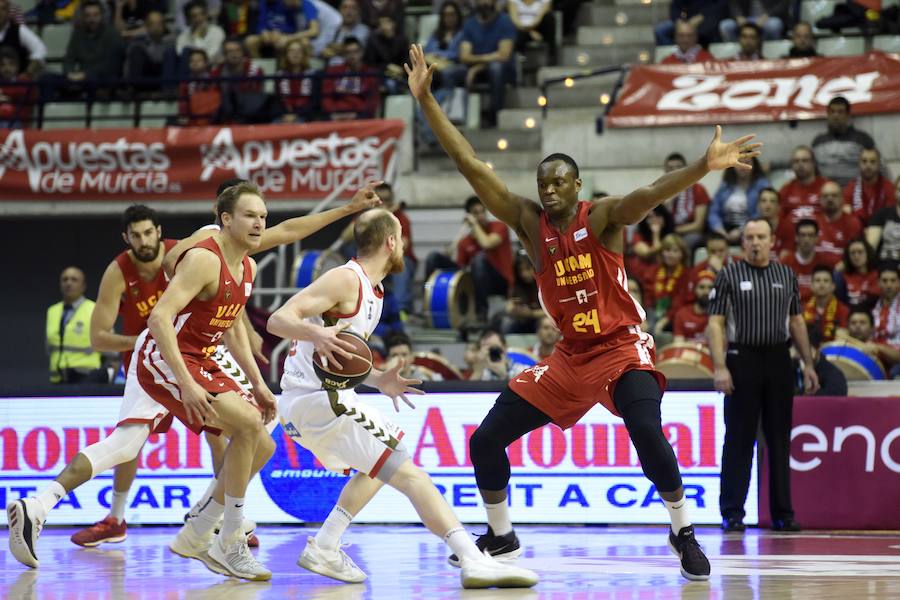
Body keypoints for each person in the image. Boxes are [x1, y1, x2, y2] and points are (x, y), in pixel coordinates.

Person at [408, 43, 761, 581]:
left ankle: (682, 530)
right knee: (484, 441)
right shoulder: (530, 224)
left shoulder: (603, 219)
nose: (547, 190)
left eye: (557, 182)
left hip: (621, 349)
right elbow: (469, 164)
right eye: (541, 184)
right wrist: (427, 101)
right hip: (570, 357)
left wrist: (702, 167)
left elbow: (650, 194)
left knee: (645, 429)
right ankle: (502, 538)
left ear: (576, 185)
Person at [9, 184, 277, 580]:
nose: (260, 223)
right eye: (251, 215)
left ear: (158, 232)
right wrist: (186, 383)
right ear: (224, 220)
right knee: (243, 428)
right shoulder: (182, 260)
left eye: (263, 217)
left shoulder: (238, 265)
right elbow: (136, 327)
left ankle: (39, 506)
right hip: (162, 356)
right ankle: (222, 533)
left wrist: (257, 382)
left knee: (133, 444)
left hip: (187, 355)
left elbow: (234, 326)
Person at [267, 206, 538, 588]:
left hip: (320, 401)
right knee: (411, 474)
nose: (404, 245)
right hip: (318, 399)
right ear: (391, 242)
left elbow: (344, 359)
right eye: (401, 238)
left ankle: (326, 545)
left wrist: (378, 380)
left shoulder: (372, 292)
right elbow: (278, 319)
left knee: (377, 469)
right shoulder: (347, 279)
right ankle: (472, 559)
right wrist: (317, 335)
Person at [706, 218, 820, 533]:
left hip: (778, 359)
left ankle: (783, 513)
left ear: (772, 241)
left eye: (761, 237)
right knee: (738, 439)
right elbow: (715, 323)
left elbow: (796, 321)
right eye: (750, 237)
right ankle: (732, 512)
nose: (756, 242)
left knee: (780, 439)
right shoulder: (728, 274)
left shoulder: (786, 275)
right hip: (742, 358)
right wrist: (719, 366)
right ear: (742, 243)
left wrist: (808, 364)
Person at [425, 196, 514, 321]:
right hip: (476, 283)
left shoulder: (499, 227)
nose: (480, 216)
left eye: (482, 211)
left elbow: (487, 243)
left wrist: (474, 224)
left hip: (500, 281)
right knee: (433, 257)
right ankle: (428, 305)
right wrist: (448, 256)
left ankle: (481, 312)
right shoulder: (465, 241)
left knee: (479, 259)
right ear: (469, 215)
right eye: (475, 213)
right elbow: (461, 270)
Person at [459, 0, 516, 127]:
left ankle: (495, 118)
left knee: (496, 68)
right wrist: (485, 60)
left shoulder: (505, 21)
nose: (484, 2)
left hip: (503, 70)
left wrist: (477, 67)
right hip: (476, 68)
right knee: (450, 72)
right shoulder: (470, 23)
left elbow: (503, 55)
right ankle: (454, 118)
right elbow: (464, 56)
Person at [46, 266, 103, 384]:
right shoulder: (52, 311)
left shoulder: (94, 310)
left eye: (74, 279)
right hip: (57, 380)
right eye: (65, 279)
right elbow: (49, 347)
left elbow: (110, 350)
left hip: (87, 379)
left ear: (83, 286)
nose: (68, 283)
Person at [812, 96, 876, 187]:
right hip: (826, 194)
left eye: (840, 112)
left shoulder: (863, 139)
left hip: (856, 194)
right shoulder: (818, 142)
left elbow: (879, 167)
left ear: (848, 115)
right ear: (828, 115)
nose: (835, 116)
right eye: (832, 112)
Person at [708, 157, 770, 244]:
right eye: (739, 162)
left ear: (754, 165)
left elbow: (760, 213)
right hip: (725, 228)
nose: (743, 166)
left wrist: (741, 230)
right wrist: (719, 229)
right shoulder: (726, 184)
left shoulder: (762, 185)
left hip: (751, 227)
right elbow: (714, 211)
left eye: (747, 162)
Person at [781, 218, 841, 301]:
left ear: (817, 238)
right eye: (803, 235)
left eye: (810, 235)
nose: (806, 239)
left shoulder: (825, 262)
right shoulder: (785, 262)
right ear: (796, 238)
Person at [321, 36, 381, 119]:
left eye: (355, 52)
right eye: (348, 52)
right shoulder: (333, 71)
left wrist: (356, 114)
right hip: (335, 115)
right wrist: (333, 113)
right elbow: (326, 97)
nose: (352, 55)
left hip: (360, 116)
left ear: (362, 52)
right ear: (343, 54)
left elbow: (373, 101)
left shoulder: (370, 74)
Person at [660, 152, 710, 250]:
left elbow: (698, 225)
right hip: (665, 232)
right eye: (670, 168)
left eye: (678, 167)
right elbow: (658, 218)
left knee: (686, 242)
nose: (675, 171)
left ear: (686, 169)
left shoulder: (698, 189)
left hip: (689, 233)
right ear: (665, 171)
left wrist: (675, 230)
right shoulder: (660, 191)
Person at [244, 0, 320, 58]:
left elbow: (293, 25)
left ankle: (282, 71)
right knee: (250, 41)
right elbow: (260, 21)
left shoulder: (288, 3)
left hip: (285, 34)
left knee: (280, 43)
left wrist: (281, 32)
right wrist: (263, 31)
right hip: (269, 35)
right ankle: (260, 69)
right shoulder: (263, 3)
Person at [125, 10, 175, 94]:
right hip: (145, 78)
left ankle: (167, 92)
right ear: (146, 26)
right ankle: (133, 91)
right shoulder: (138, 43)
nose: (156, 27)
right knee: (137, 51)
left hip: (162, 77)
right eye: (152, 24)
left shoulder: (170, 42)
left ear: (163, 26)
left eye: (159, 24)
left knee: (170, 53)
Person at [778, 145, 828, 226]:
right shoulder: (785, 190)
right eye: (796, 161)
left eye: (805, 160)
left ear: (813, 163)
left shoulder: (826, 187)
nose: (800, 164)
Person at [844, 147, 895, 225]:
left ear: (878, 165)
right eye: (864, 161)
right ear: (859, 164)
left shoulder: (888, 187)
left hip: (880, 229)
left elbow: (890, 216)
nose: (868, 165)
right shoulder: (852, 186)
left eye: (872, 161)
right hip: (857, 231)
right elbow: (846, 213)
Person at [803, 266, 850, 343]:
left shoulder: (843, 310)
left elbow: (843, 339)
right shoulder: (802, 310)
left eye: (826, 281)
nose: (822, 284)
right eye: (817, 280)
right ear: (811, 286)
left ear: (833, 286)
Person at [276, 38, 319, 122]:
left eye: (299, 51)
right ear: (286, 55)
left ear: (304, 55)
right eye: (291, 51)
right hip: (284, 117)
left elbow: (314, 102)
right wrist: (286, 115)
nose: (295, 53)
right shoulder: (279, 76)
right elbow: (277, 101)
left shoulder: (314, 75)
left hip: (306, 116)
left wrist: (296, 115)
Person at [364, 15, 409, 93]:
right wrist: (387, 66)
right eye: (382, 24)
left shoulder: (402, 39)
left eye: (387, 22)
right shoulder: (374, 41)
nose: (385, 27)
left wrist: (401, 69)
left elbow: (406, 58)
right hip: (382, 73)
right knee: (390, 84)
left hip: (401, 72)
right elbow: (371, 63)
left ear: (393, 24)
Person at [798, 325, 847, 396]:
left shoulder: (834, 376)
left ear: (819, 347)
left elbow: (832, 404)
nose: (799, 354)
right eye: (796, 348)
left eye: (805, 348)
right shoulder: (790, 370)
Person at [654, 0, 730, 47]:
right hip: (688, 20)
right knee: (660, 31)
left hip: (711, 18)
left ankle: (706, 57)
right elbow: (675, 6)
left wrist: (702, 16)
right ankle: (674, 57)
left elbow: (722, 6)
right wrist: (678, 20)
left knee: (707, 31)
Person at [501, 250, 543, 333]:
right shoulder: (518, 285)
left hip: (539, 318)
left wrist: (531, 314)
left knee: (545, 323)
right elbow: (509, 307)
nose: (524, 274)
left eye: (527, 269)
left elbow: (551, 313)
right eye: (520, 270)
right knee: (506, 322)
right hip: (523, 320)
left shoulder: (544, 283)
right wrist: (513, 310)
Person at [468, 327, 533, 381]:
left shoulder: (521, 370)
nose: (492, 353)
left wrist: (505, 375)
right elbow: (469, 393)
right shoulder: (480, 372)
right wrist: (478, 371)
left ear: (505, 348)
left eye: (495, 349)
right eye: (488, 350)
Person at [0, 0, 46, 75]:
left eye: (3, 9)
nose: (0, 13)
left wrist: (28, 73)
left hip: (17, 81)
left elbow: (40, 50)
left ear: (8, 12)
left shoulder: (19, 30)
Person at [176, 0, 226, 65]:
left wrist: (197, 37)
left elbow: (209, 58)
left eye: (202, 14)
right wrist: (197, 36)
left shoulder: (217, 32)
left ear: (206, 15)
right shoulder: (182, 37)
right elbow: (183, 58)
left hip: (213, 71)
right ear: (188, 19)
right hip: (189, 72)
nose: (199, 18)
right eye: (194, 16)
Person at [835, 237, 880, 308]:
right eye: (852, 253)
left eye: (860, 252)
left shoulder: (876, 275)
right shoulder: (843, 277)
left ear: (868, 253)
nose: (856, 256)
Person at [865, 176, 900, 266]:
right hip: (885, 268)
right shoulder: (882, 214)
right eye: (899, 189)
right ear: (895, 192)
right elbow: (870, 248)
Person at [672, 269, 713, 343]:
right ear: (694, 289)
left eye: (710, 288)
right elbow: (678, 343)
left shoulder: (718, 317)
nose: (706, 292)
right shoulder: (682, 314)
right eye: (702, 287)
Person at [718, 0, 787, 42]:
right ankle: (735, 52)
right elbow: (733, 3)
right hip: (745, 18)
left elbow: (783, 4)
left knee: (774, 25)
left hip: (767, 18)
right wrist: (738, 16)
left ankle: (773, 53)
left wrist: (768, 15)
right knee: (726, 25)